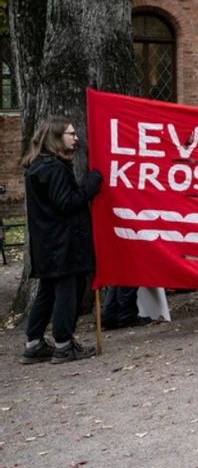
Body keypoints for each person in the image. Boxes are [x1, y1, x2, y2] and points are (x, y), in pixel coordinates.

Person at [21, 118, 103, 364]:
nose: (75, 138)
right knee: (67, 293)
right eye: (71, 134)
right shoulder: (54, 168)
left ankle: (34, 343)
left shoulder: (38, 166)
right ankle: (63, 344)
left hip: (48, 243)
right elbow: (66, 203)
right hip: (63, 244)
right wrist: (91, 185)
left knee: (47, 292)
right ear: (56, 137)